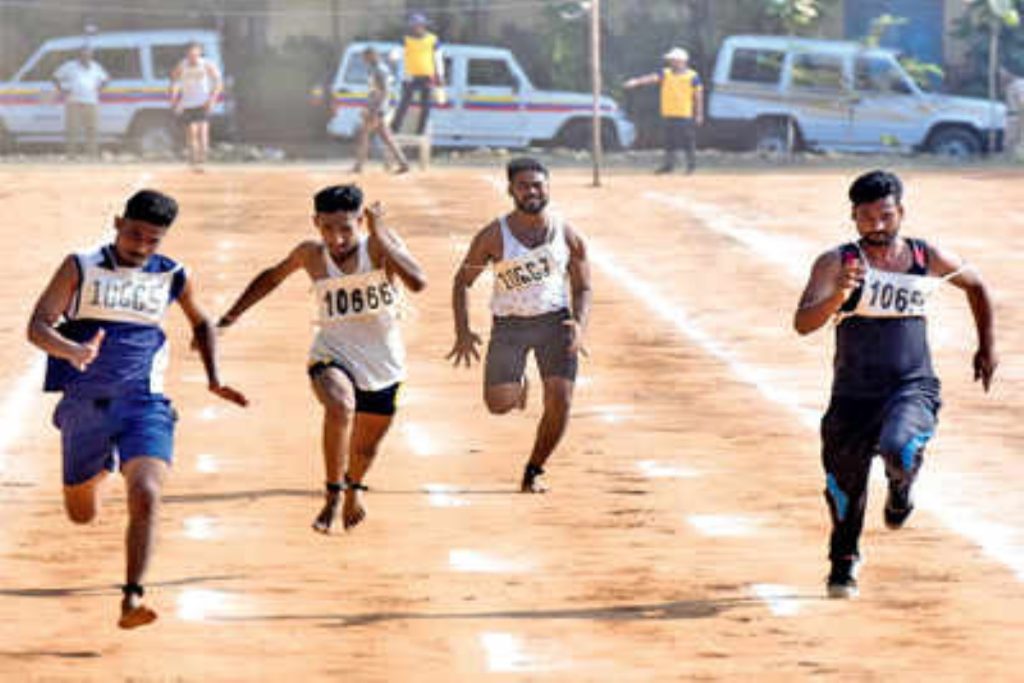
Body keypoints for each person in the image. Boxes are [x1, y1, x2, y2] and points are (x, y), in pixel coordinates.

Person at [26, 189, 247, 628]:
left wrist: (214, 377)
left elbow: (202, 321)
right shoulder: (80, 266)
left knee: (146, 492)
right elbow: (38, 325)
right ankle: (102, 465)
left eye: (153, 239)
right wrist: (72, 351)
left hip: (145, 405)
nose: (141, 246)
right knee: (82, 513)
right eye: (134, 234)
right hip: (85, 406)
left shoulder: (172, 275)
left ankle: (132, 596)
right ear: (117, 223)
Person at [793, 170, 997, 599]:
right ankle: (843, 560)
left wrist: (987, 347)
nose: (877, 225)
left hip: (911, 385)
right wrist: (837, 296)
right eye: (867, 217)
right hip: (852, 395)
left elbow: (977, 286)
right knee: (844, 488)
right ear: (853, 216)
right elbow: (803, 323)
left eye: (886, 215)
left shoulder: (925, 255)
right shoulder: (836, 262)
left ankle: (901, 488)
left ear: (901, 212)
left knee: (900, 448)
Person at [216, 185, 426, 533]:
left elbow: (418, 282)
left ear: (361, 222)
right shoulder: (311, 254)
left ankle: (354, 488)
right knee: (340, 406)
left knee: (365, 450)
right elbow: (271, 277)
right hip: (332, 353)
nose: (337, 238)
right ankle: (333, 494)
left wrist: (381, 233)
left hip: (383, 364)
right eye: (328, 228)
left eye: (346, 228)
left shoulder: (378, 247)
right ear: (316, 222)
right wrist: (228, 318)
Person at [448, 158, 592, 493]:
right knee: (498, 404)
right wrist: (463, 331)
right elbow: (462, 282)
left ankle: (534, 470)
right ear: (510, 190)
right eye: (524, 186)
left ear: (548, 188)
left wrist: (580, 324)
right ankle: (519, 382)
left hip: (555, 324)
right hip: (510, 326)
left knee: (560, 399)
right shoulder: (492, 236)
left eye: (538, 185)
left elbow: (583, 287)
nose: (532, 192)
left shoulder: (568, 235)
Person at [623, 46, 704, 174]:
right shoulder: (666, 73)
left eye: (673, 60)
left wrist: (699, 114)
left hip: (684, 114)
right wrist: (636, 82)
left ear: (681, 61)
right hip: (669, 113)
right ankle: (668, 166)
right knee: (669, 142)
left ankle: (691, 166)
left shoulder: (692, 76)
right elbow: (652, 78)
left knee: (688, 141)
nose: (670, 62)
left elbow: (698, 96)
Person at [353, 47, 410, 175]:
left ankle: (359, 165)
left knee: (364, 134)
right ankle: (403, 163)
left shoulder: (380, 70)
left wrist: (375, 111)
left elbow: (384, 92)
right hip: (376, 107)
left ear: (372, 56)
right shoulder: (374, 69)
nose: (364, 60)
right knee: (386, 137)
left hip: (378, 109)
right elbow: (374, 91)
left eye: (365, 57)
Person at [170, 42, 223, 170]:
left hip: (203, 102)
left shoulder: (206, 64)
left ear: (199, 52)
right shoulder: (182, 65)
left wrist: (212, 99)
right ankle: (193, 160)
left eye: (195, 53)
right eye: (190, 54)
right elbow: (174, 81)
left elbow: (218, 82)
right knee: (191, 133)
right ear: (187, 54)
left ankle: (202, 160)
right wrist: (174, 99)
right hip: (188, 103)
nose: (192, 56)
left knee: (202, 132)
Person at [390, 12, 445, 135]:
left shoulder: (432, 39)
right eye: (413, 26)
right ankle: (394, 128)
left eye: (418, 25)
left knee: (426, 105)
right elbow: (397, 52)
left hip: (427, 75)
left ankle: (420, 130)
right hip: (410, 75)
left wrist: (440, 75)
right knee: (404, 103)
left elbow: (438, 58)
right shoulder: (406, 40)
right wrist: (393, 56)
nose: (415, 28)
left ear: (423, 26)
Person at [52, 47, 109, 159]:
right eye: (83, 55)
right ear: (79, 56)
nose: (86, 58)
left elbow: (105, 79)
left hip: (91, 102)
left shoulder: (96, 67)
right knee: (72, 130)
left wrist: (98, 89)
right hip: (73, 102)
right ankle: (71, 155)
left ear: (91, 56)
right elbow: (55, 77)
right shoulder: (70, 66)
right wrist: (62, 89)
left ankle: (92, 155)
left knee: (92, 129)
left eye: (88, 55)